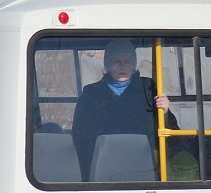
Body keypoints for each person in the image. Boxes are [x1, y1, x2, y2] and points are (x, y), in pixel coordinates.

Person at [71, 39, 179, 180]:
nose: (122, 66)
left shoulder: (148, 90)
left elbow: (173, 141)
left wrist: (165, 113)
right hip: (101, 169)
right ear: (107, 65)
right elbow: (80, 137)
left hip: (142, 167)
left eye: (127, 61)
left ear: (133, 65)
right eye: (116, 61)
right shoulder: (91, 95)